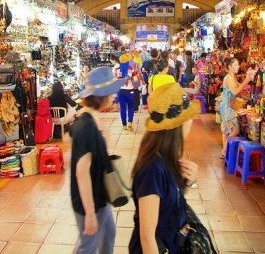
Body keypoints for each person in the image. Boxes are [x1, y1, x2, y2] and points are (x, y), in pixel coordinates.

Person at [129, 83, 200, 253]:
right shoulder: (153, 169)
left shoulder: (167, 158)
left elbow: (168, 206)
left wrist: (186, 183)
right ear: (177, 126)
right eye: (188, 117)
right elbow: (147, 237)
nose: (191, 121)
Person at [70, 66, 122, 253]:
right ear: (101, 96)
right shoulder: (86, 127)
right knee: (88, 246)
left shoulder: (90, 119)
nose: (114, 96)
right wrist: (90, 213)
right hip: (90, 200)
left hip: (100, 195)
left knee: (108, 235)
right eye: (111, 93)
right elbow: (81, 173)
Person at [219, 57, 257, 158]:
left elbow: (239, 87)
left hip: (228, 105)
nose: (238, 66)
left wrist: (247, 81)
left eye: (238, 64)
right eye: (235, 65)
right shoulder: (228, 77)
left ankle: (224, 152)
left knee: (226, 130)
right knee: (235, 130)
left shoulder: (232, 77)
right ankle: (224, 149)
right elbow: (235, 91)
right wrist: (246, 80)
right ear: (230, 67)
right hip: (228, 106)